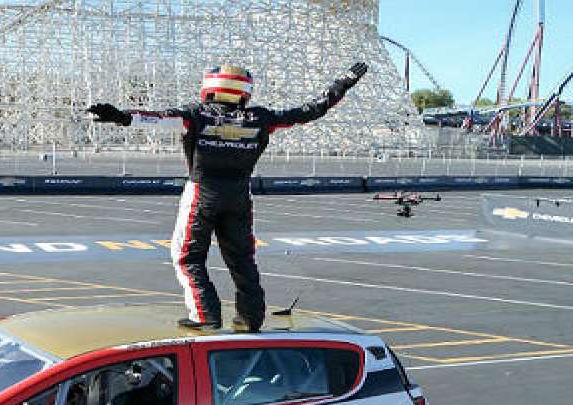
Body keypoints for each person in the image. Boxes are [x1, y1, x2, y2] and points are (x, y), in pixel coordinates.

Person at [88, 62, 369, 331]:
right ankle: (250, 318)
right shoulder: (262, 118)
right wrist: (343, 82)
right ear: (245, 92)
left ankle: (205, 315)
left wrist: (120, 116)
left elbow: (156, 119)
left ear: (209, 88)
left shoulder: (196, 114)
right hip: (239, 195)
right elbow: (311, 110)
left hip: (202, 194)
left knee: (188, 257)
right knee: (242, 258)